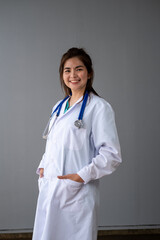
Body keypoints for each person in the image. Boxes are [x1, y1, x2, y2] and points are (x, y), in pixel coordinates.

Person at [32, 47, 122, 240]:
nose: (73, 75)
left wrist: (81, 176)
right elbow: (53, 144)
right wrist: (42, 168)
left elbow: (111, 155)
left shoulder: (98, 108)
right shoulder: (58, 107)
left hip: (76, 194)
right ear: (62, 75)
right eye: (67, 70)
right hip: (50, 189)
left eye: (79, 69)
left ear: (89, 74)